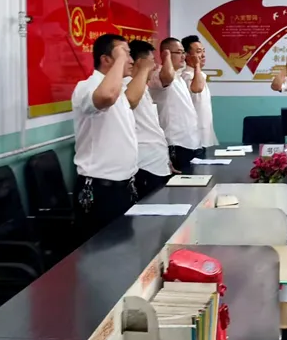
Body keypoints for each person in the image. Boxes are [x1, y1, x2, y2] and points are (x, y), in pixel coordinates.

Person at [71, 34, 141, 241]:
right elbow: (106, 96)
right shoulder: (87, 86)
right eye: (125, 54)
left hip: (124, 187)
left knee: (125, 249)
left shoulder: (118, 89)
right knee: (101, 253)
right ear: (106, 59)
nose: (130, 60)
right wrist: (120, 58)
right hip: (100, 190)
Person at [126, 40, 174, 200]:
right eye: (152, 61)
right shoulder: (126, 87)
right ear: (140, 62)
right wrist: (144, 68)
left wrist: (165, 158)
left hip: (157, 162)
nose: (155, 66)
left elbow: (152, 128)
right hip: (144, 164)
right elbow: (129, 101)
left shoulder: (143, 88)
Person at [149, 38, 201, 171]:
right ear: (165, 54)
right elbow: (167, 77)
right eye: (178, 52)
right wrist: (166, 57)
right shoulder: (158, 75)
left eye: (183, 52)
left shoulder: (179, 78)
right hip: (174, 142)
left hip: (189, 142)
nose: (183, 56)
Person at [181, 35, 218, 154]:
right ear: (187, 55)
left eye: (203, 51)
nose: (203, 55)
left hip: (205, 134)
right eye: (198, 52)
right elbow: (197, 88)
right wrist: (197, 65)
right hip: (194, 137)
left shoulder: (200, 75)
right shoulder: (186, 76)